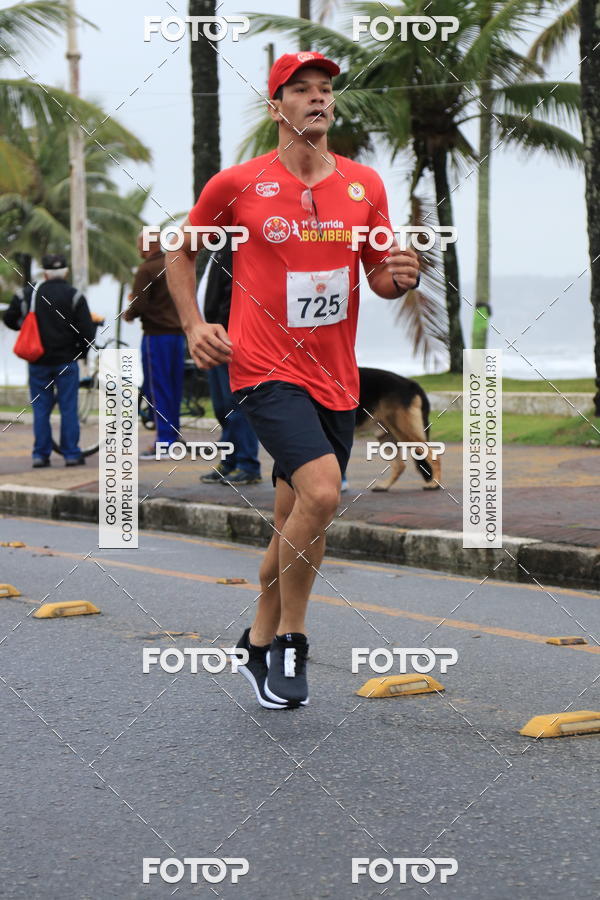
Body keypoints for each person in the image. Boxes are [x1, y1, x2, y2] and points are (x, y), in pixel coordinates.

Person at [165, 52, 420, 709]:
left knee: (297, 516)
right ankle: (290, 640)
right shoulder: (237, 184)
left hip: (335, 375)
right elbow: (179, 250)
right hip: (263, 369)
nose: (317, 98)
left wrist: (401, 276)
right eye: (301, 89)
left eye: (325, 89)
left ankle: (254, 640)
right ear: (276, 105)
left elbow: (380, 278)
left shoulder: (364, 185)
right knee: (324, 493)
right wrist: (194, 325)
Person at [3, 253, 96, 468]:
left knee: (41, 409)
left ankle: (40, 455)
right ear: (66, 272)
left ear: (44, 273)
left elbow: (9, 318)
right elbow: (87, 332)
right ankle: (71, 454)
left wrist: (23, 327)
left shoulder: (28, 294)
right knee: (68, 408)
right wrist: (81, 354)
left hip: (37, 361)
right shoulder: (74, 295)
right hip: (67, 361)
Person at [200, 239, 262, 485]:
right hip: (214, 336)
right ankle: (230, 460)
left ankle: (248, 464)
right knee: (222, 406)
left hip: (228, 336)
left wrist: (226, 329)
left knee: (237, 406)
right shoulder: (218, 249)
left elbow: (235, 292)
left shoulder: (235, 246)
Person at [123, 231, 185, 458]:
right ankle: (173, 436)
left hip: (156, 336)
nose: (138, 248)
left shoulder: (146, 269)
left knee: (158, 388)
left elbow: (140, 303)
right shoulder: (174, 264)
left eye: (139, 244)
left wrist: (129, 313)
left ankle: (164, 441)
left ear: (146, 245)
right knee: (174, 388)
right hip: (178, 336)